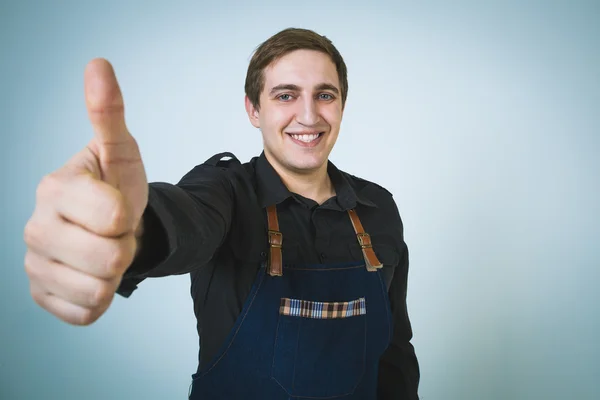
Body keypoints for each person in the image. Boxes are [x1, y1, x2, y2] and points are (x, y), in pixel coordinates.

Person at [23, 27, 420, 399]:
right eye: (285, 95)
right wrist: (129, 227)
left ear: (342, 105)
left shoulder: (379, 207)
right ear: (253, 110)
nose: (309, 115)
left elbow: (395, 351)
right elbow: (185, 218)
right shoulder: (225, 190)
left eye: (324, 95)